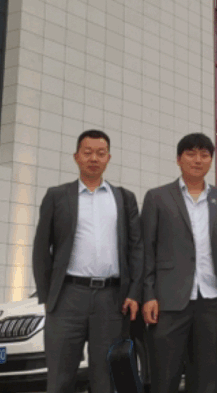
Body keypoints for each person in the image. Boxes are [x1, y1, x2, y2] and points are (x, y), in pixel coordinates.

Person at [33, 130, 142, 393]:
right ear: (76, 157)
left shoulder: (124, 198)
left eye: (100, 153)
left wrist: (133, 292)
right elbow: (41, 248)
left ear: (108, 158)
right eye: (88, 152)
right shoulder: (57, 196)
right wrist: (48, 295)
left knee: (106, 378)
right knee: (60, 377)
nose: (94, 158)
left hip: (111, 300)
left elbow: (136, 248)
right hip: (67, 297)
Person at [140, 133, 217, 393]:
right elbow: (146, 249)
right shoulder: (157, 197)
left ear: (211, 161)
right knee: (165, 378)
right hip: (168, 302)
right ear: (178, 159)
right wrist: (148, 295)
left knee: (207, 379)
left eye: (204, 155)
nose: (198, 160)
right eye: (191, 154)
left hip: (213, 301)